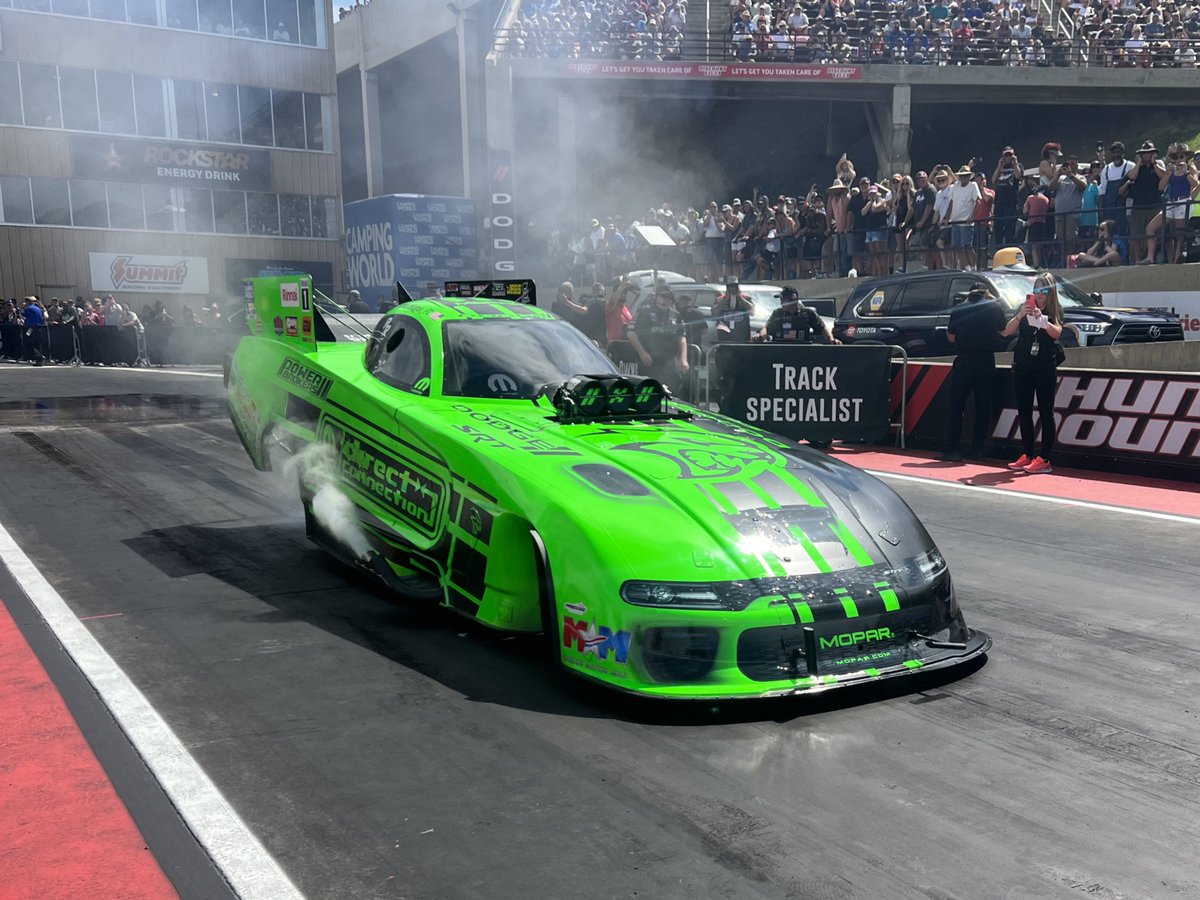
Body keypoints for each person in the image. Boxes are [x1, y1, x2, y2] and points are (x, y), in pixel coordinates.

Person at [1001, 271, 1064, 474]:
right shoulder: (1025, 308)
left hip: (1044, 367)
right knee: (1024, 412)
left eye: (1043, 290)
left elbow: (1057, 333)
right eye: (1036, 290)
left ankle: (1044, 458)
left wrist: (1042, 320)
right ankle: (1027, 453)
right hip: (1023, 366)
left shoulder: (1055, 311)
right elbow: (1006, 331)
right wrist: (1021, 315)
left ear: (1050, 292)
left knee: (1046, 412)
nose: (1039, 295)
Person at [939, 285, 1006, 462]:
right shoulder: (994, 307)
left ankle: (953, 448)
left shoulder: (960, 309)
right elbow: (1002, 330)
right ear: (986, 293)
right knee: (983, 407)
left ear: (969, 293)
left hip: (965, 360)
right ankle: (977, 449)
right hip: (985, 361)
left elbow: (951, 337)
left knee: (957, 406)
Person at [626, 286, 689, 396]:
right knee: (647, 393)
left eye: (670, 298)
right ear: (656, 297)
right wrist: (642, 353)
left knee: (671, 394)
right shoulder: (644, 311)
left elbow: (682, 338)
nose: (666, 300)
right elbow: (631, 333)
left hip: (669, 361)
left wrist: (683, 359)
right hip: (649, 361)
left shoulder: (676, 315)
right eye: (663, 296)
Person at [755, 285, 835, 343]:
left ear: (793, 299)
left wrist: (831, 339)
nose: (781, 302)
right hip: (780, 349)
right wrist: (761, 336)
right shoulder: (777, 313)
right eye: (781, 300)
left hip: (803, 350)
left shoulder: (807, 313)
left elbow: (822, 327)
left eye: (783, 299)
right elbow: (766, 328)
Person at [604, 280, 635, 346]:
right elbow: (612, 301)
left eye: (625, 293)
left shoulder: (625, 309)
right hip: (615, 344)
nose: (623, 294)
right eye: (621, 293)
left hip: (627, 344)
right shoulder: (610, 307)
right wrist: (621, 287)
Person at [22, 296, 46, 365]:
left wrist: (23, 309)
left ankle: (39, 357)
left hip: (31, 327)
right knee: (37, 343)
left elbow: (24, 314)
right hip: (39, 327)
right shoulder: (38, 309)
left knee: (29, 342)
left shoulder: (29, 308)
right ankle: (39, 360)